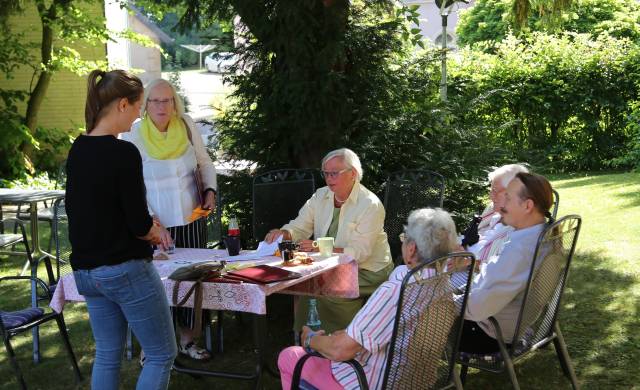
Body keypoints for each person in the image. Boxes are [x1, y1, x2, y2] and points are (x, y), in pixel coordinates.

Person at [65, 69, 177, 390]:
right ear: (123, 104)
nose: (138, 117)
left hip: (87, 272)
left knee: (108, 354)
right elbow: (139, 224)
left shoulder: (78, 149)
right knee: (161, 354)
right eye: (139, 107)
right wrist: (154, 231)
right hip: (123, 268)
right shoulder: (123, 152)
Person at [278, 208, 460, 390]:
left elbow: (339, 350)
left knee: (289, 356)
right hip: (418, 383)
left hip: (369, 383)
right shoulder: (444, 286)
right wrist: (348, 335)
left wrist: (310, 339)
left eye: (404, 240)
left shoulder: (395, 291)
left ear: (411, 250)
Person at [121, 78, 217, 360]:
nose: (162, 106)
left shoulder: (186, 126)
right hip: (153, 224)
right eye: (155, 101)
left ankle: (189, 341)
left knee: (192, 282)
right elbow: (130, 185)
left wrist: (210, 189)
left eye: (168, 100)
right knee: (156, 286)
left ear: (175, 103)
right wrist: (149, 221)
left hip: (190, 219)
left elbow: (205, 162)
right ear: (146, 105)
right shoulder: (133, 136)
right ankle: (154, 347)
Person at [264, 148, 393, 333]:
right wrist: (284, 233)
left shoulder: (370, 204)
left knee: (327, 290)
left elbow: (359, 253)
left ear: (353, 174)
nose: (328, 178)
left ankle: (341, 343)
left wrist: (318, 247)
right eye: (325, 173)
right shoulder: (320, 196)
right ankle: (306, 343)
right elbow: (300, 226)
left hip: (369, 271)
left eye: (334, 173)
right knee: (308, 286)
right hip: (330, 267)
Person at [457, 172, 554, 353]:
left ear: (527, 206)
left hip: (487, 334)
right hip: (509, 324)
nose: (501, 206)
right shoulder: (543, 234)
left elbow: (477, 308)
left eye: (507, 199)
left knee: (406, 312)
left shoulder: (520, 250)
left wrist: (442, 302)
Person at [462, 164, 529, 265]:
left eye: (495, 191)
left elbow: (503, 268)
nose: (491, 196)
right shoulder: (494, 210)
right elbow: (475, 237)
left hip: (474, 276)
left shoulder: (522, 230)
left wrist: (466, 263)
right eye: (491, 190)